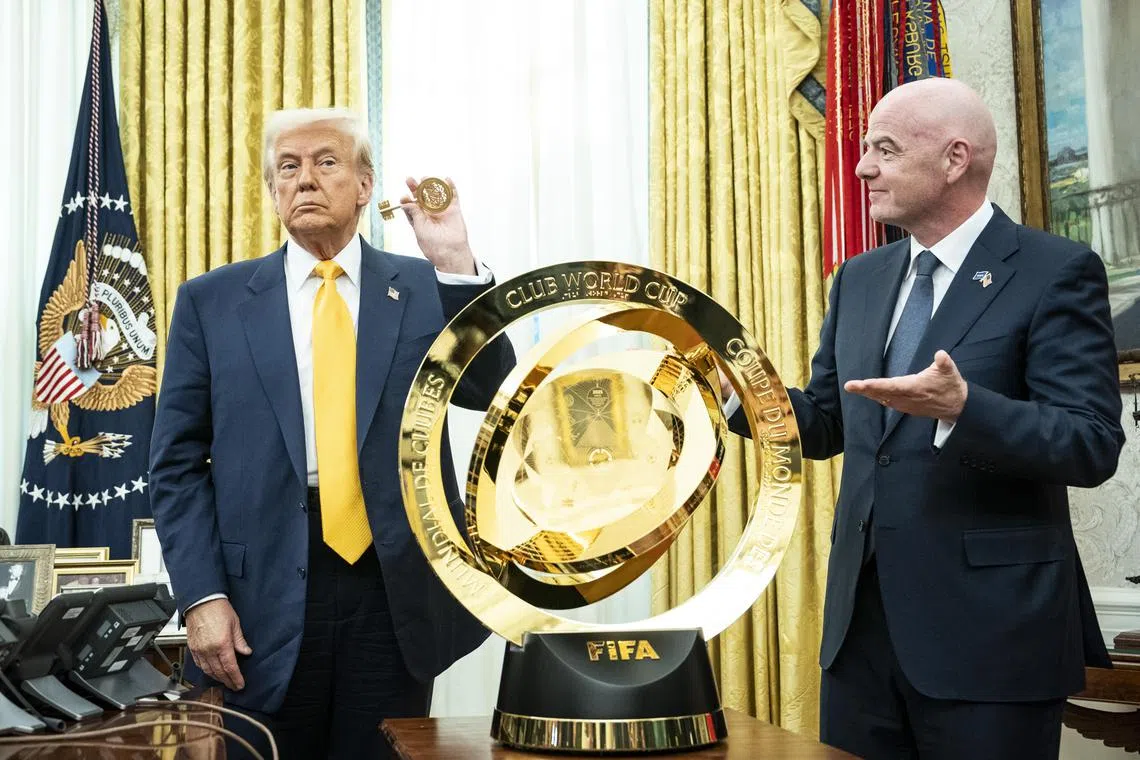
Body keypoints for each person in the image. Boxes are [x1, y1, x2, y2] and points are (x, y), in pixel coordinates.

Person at [727, 77, 1123, 758]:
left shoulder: (1054, 271)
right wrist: (739, 393)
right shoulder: (861, 278)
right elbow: (830, 419)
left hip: (990, 641)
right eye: (864, 149)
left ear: (954, 159)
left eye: (884, 149)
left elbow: (1089, 443)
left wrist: (964, 409)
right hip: (861, 640)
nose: (862, 167)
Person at [149, 107, 515, 759]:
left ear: (365, 184)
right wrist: (201, 595)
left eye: (326, 162)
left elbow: (488, 387)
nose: (305, 180)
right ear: (272, 191)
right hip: (258, 595)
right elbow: (175, 467)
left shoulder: (422, 286)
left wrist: (454, 258)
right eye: (288, 167)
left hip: (393, 589)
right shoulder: (212, 302)